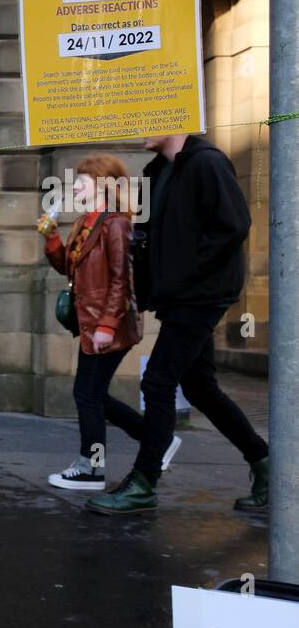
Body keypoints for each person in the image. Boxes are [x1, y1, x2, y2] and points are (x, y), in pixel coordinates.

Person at [87, 134, 269, 515]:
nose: (134, 129)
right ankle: (266, 466)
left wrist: (187, 272)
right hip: (179, 296)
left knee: (158, 381)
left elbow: (233, 225)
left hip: (200, 295)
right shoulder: (159, 171)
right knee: (200, 387)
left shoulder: (206, 163)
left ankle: (144, 482)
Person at [39, 155, 179, 491]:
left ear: (103, 185)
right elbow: (67, 269)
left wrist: (107, 325)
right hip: (91, 323)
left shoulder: (115, 223)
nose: (74, 186)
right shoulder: (85, 222)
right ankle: (156, 440)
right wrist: (52, 238)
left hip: (107, 324)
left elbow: (122, 279)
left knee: (86, 395)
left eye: (82, 181)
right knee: (93, 395)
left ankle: (91, 468)